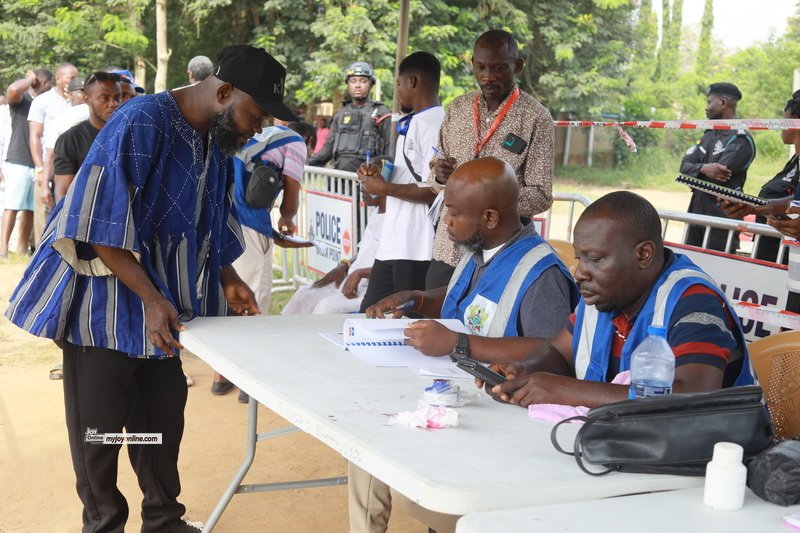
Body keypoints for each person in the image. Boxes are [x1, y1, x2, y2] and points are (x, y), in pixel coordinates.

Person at [5, 44, 297, 533]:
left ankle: (163, 521)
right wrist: (154, 300)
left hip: (161, 317)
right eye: (258, 113)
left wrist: (228, 277)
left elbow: (211, 220)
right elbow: (97, 223)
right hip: (104, 314)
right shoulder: (142, 119)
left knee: (158, 427)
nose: (261, 126)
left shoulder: (217, 139)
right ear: (224, 92)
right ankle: (103, 524)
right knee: (98, 434)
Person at [348, 157, 577, 533]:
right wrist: (419, 299)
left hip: (499, 417)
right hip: (451, 390)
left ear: (489, 218)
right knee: (364, 438)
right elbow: (467, 301)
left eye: (453, 213)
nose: (446, 222)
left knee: (381, 443)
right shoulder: (479, 250)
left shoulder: (540, 272)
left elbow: (551, 352)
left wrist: (459, 343)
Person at [485, 190, 753, 408]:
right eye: (580, 258)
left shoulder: (693, 299)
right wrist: (521, 372)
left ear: (643, 254)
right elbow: (558, 352)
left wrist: (566, 390)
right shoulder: (604, 294)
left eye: (596, 259)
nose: (579, 272)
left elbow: (692, 396)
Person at [425, 29, 555, 289]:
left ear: (517, 66)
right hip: (449, 247)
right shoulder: (458, 108)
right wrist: (439, 175)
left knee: (483, 327)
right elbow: (433, 176)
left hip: (500, 254)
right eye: (481, 67)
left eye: (499, 68)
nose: (487, 77)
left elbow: (541, 194)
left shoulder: (536, 117)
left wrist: (489, 202)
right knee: (436, 319)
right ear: (472, 64)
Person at [211, 120, 316, 402]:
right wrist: (287, 219)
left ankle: (221, 374)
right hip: (248, 222)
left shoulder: (265, 136)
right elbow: (291, 193)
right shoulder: (295, 142)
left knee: (228, 294)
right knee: (253, 297)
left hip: (222, 215)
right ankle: (249, 377)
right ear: (309, 142)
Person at [356, 52, 443, 311]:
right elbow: (404, 178)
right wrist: (376, 179)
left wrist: (385, 188)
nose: (398, 92)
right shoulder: (411, 122)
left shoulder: (437, 123)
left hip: (417, 245)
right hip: (392, 241)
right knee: (368, 315)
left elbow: (435, 189)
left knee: (403, 323)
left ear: (412, 82)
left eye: (398, 84)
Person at [720, 90, 800, 265]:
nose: (780, 125)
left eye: (784, 119)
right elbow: (795, 202)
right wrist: (753, 207)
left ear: (794, 121)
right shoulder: (795, 160)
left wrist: (755, 207)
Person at [281, 191, 385, 315]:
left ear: (382, 188)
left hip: (370, 291)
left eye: (367, 184)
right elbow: (364, 252)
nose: (362, 189)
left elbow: (394, 265)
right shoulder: (375, 214)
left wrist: (360, 273)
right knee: (304, 294)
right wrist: (344, 266)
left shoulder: (394, 221)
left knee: (325, 307)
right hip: (349, 282)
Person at [681, 82, 756, 253]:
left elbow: (719, 174)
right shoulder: (709, 134)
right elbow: (684, 166)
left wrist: (696, 169)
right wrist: (703, 168)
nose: (706, 108)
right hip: (696, 215)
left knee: (720, 274)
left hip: (721, 220)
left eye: (709, 102)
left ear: (723, 102)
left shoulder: (740, 138)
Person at [1, 68, 53, 258]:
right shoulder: (23, 101)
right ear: (45, 83)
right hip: (19, 159)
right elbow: (13, 89)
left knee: (31, 209)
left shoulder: (45, 104)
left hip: (38, 163)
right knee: (13, 206)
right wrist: (30, 79)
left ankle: (22, 250)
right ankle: (2, 250)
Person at [307, 61, 392, 172]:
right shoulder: (340, 114)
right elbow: (327, 149)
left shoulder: (382, 113)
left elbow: (390, 153)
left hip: (368, 181)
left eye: (363, 81)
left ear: (371, 84)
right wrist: (305, 163)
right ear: (348, 84)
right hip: (338, 179)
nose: (357, 85)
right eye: (353, 81)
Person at [28, 62, 78, 245]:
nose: (73, 81)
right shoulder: (42, 101)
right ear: (58, 79)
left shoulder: (78, 98)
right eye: (70, 77)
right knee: (45, 209)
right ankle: (42, 250)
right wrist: (40, 169)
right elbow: (35, 136)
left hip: (70, 165)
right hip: (48, 163)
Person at [53, 72, 122, 203]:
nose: (113, 104)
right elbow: (62, 192)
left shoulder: (130, 135)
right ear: (86, 99)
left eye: (118, 97)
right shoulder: (70, 139)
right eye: (104, 98)